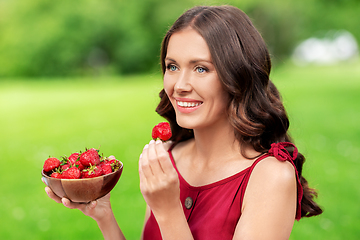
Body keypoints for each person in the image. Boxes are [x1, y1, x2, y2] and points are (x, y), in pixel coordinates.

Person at [43, 5, 323, 240]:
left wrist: (168, 211)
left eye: (201, 68)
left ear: (238, 77)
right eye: (172, 66)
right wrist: (103, 215)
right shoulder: (168, 157)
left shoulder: (271, 176)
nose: (179, 85)